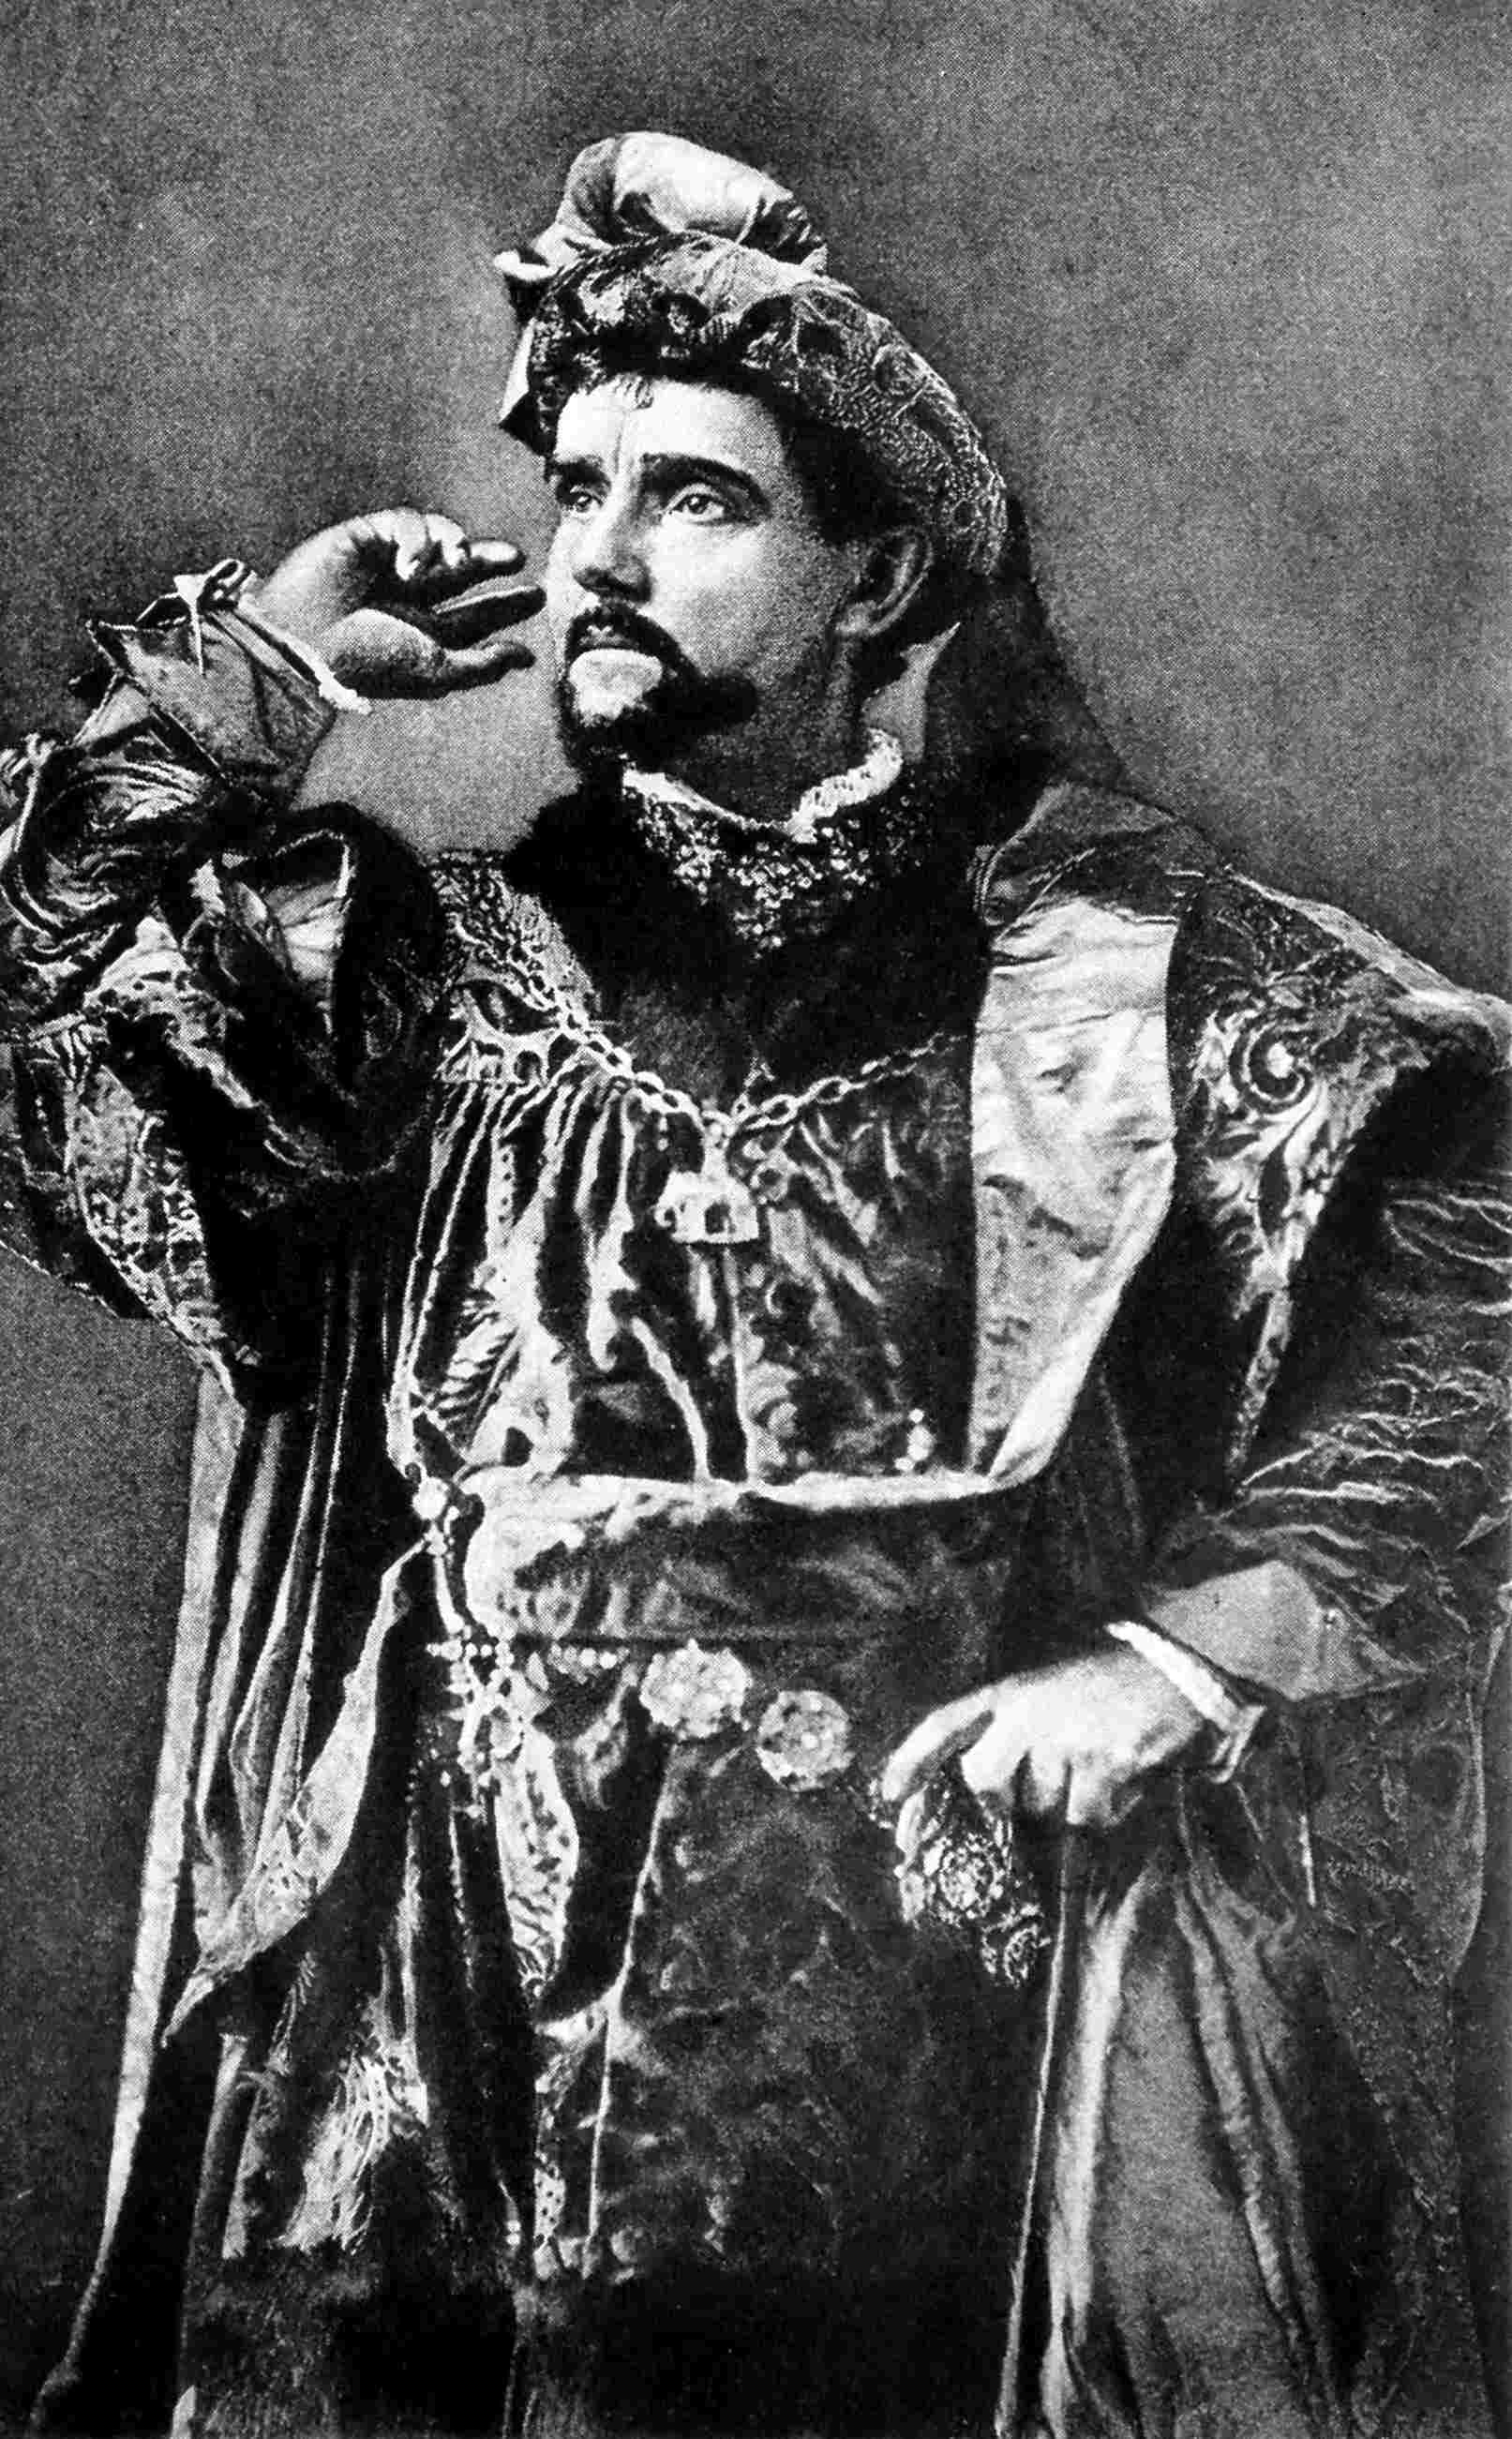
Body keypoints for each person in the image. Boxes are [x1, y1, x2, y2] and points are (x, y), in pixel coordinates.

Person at [1, 131, 1505, 2439]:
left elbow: (1477, 1254)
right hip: (443, 2014)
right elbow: (31, 1007)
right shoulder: (427, 986)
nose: (595, 555)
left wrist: (1184, 1653)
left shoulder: (1107, 972)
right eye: (576, 489)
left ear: (880, 569)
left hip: (935, 2022)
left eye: (694, 497)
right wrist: (257, 677)